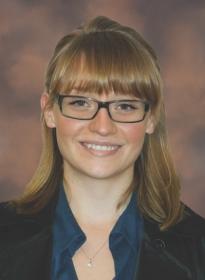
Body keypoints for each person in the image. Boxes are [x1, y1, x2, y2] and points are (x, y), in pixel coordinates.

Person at [0, 16, 204, 280]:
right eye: (81, 103)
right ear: (49, 110)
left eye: (125, 106)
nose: (103, 126)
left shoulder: (198, 247)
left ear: (151, 118)